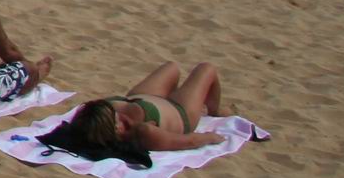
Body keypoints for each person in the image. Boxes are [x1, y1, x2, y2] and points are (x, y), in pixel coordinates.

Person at [39, 63, 228, 161]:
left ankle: (180, 92)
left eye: (116, 115)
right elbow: (189, 141)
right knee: (206, 69)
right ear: (116, 133)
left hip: (143, 97)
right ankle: (214, 110)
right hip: (179, 110)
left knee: (171, 67)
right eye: (119, 122)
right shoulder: (145, 132)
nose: (123, 117)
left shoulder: (93, 117)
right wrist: (211, 137)